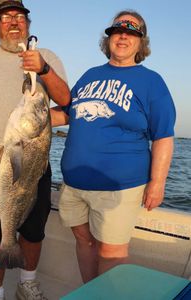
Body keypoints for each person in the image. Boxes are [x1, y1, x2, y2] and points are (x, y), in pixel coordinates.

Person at [51, 9, 176, 284]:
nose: (123, 36)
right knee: (83, 240)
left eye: (132, 33)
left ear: (141, 43)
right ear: (107, 40)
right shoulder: (89, 75)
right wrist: (29, 114)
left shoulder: (152, 82)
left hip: (119, 185)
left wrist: (157, 182)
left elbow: (164, 135)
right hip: (74, 182)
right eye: (118, 31)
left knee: (112, 251)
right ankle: (91, 291)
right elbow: (68, 114)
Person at [0, 0, 70, 299]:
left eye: (19, 16)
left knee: (33, 228)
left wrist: (43, 69)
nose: (13, 21)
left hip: (34, 156)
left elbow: (65, 100)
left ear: (28, 24)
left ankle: (27, 285)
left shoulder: (46, 56)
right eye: (6, 17)